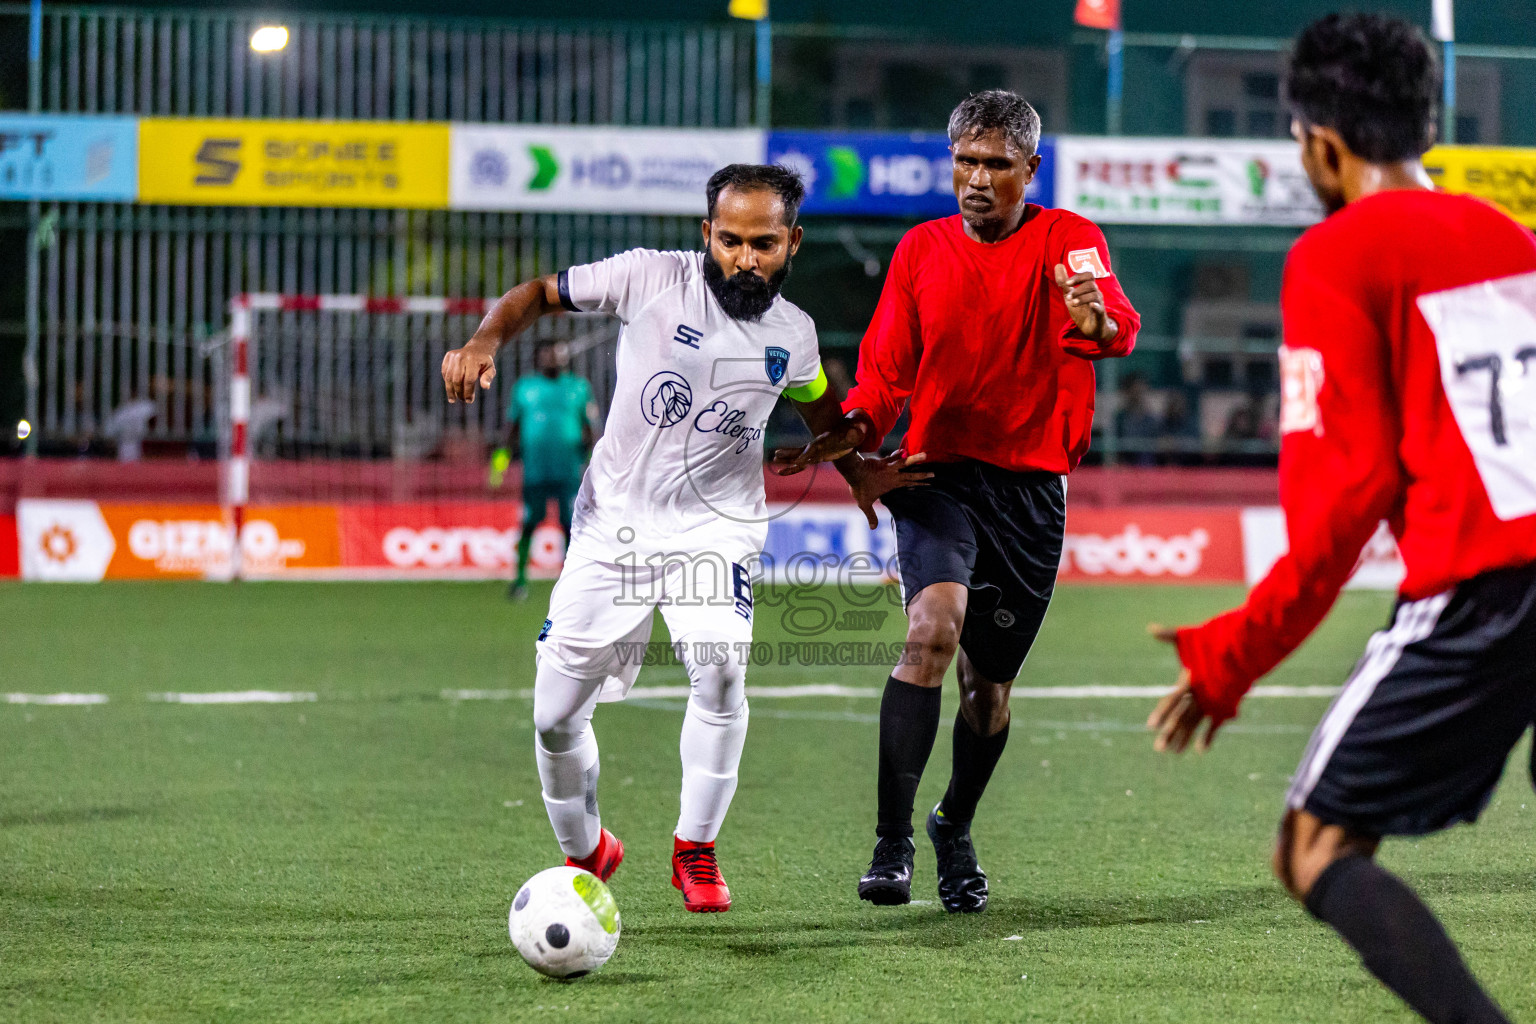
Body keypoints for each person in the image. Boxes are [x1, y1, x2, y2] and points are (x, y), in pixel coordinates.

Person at [1146, 14, 1536, 1024]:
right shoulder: (1513, 238)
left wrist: (1230, 654)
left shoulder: (1337, 253)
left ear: (1321, 141)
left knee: (1313, 846)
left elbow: (1342, 505)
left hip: (1491, 581)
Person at [442, 164, 923, 914]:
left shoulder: (792, 337)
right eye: (728, 239)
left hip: (717, 530)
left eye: (763, 243)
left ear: (791, 242)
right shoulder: (647, 278)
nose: (744, 258)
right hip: (613, 527)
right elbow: (538, 294)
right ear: (707, 233)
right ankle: (588, 851)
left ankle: (694, 850)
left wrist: (857, 472)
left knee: (722, 674)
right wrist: (483, 339)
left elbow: (824, 417)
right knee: (554, 716)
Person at [775, 90, 1140, 912]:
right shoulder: (920, 250)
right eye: (965, 163)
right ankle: (892, 841)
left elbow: (1113, 321)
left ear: (1029, 170)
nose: (976, 180)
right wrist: (851, 431)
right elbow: (885, 371)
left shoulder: (1068, 240)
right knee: (929, 636)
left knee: (988, 691)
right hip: (936, 477)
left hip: (1032, 491)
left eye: (996, 165)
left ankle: (955, 824)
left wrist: (1101, 323)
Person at [491, 339, 599, 601]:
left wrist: (595, 464)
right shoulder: (525, 388)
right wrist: (500, 461)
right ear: (539, 358)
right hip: (535, 473)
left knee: (570, 526)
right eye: (547, 354)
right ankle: (519, 581)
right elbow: (512, 428)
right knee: (529, 523)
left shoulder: (579, 388)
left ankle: (569, 584)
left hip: (569, 472)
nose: (552, 358)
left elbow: (590, 430)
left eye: (557, 352)